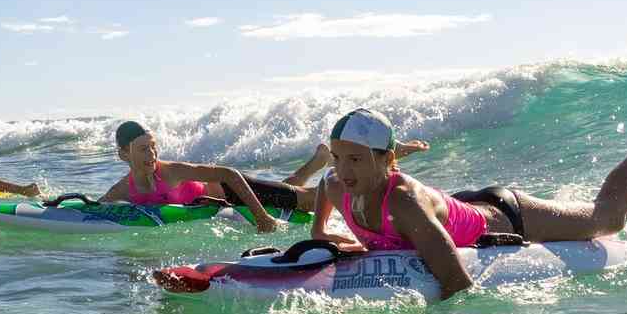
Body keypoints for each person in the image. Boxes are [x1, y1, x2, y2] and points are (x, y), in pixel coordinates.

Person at [312, 108, 627, 299]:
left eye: (358, 159)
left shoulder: (402, 203)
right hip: (460, 207)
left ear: (388, 160)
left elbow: (456, 279)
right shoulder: (336, 184)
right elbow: (323, 189)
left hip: (505, 218)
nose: (345, 171)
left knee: (608, 218)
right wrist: (320, 233)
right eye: (339, 157)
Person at [97, 121, 429, 228]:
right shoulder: (123, 188)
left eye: (153, 146)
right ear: (124, 154)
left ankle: (391, 155)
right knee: (286, 190)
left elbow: (227, 173)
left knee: (311, 202)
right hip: (226, 198)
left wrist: (261, 218)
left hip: (232, 192)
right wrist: (43, 201)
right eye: (143, 150)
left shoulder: (171, 172)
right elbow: (91, 208)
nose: (152, 154)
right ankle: (317, 162)